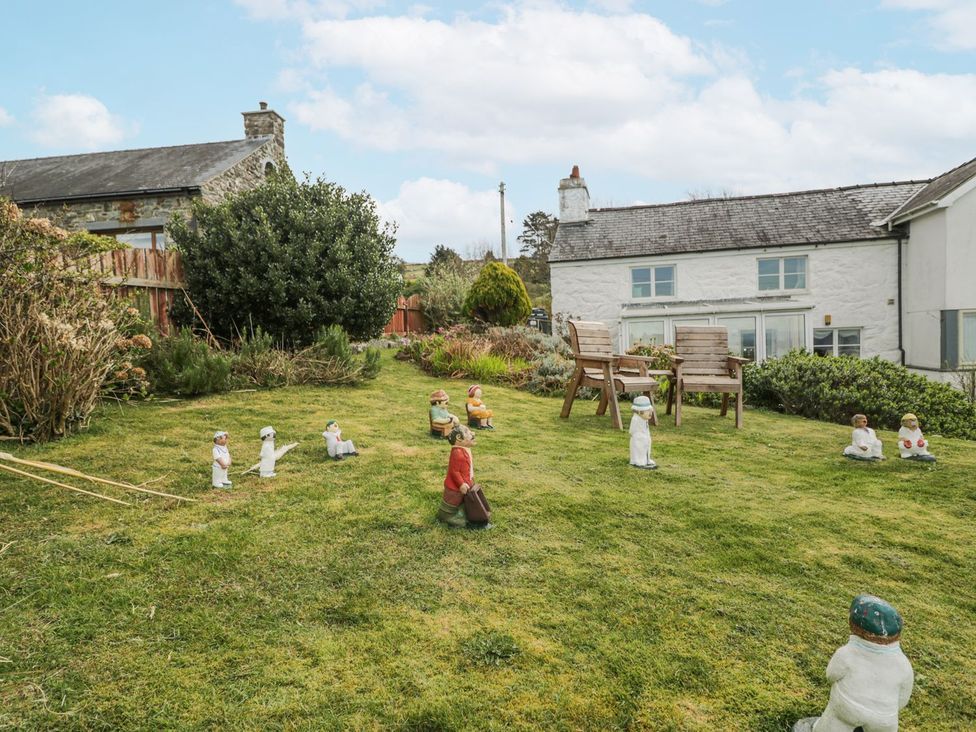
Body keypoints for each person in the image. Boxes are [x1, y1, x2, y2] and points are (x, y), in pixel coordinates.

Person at [793, 595, 914, 732]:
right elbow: (903, 697)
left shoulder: (847, 653)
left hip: (848, 707)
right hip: (885, 717)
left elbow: (831, 675)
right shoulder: (903, 664)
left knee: (834, 724)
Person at [438, 424, 491, 528]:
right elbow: (455, 471)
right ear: (459, 438)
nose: (473, 434)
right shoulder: (457, 453)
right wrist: (461, 484)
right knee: (453, 500)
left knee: (464, 500)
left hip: (467, 482)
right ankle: (447, 515)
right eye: (467, 432)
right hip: (455, 487)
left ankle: (463, 513)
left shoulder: (464, 450)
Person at [629, 395, 657, 470]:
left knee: (647, 448)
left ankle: (647, 459)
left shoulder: (645, 420)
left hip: (645, 437)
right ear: (639, 411)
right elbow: (632, 430)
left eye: (650, 410)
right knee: (639, 449)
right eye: (647, 411)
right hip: (638, 439)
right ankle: (637, 460)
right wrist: (638, 436)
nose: (650, 413)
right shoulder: (635, 419)